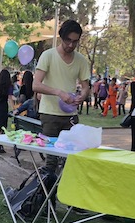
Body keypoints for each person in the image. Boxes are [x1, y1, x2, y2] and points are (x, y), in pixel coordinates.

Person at [32, 19, 91, 169]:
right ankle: (49, 183)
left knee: (70, 159)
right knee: (51, 160)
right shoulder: (48, 55)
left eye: (75, 42)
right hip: (50, 114)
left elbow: (86, 87)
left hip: (70, 116)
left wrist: (82, 96)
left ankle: (64, 184)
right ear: (61, 37)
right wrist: (58, 92)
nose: (71, 45)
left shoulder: (81, 60)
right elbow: (36, 85)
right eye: (68, 40)